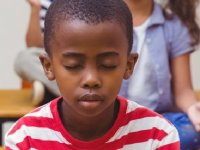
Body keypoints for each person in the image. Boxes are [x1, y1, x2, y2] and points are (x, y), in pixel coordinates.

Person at [5, 0, 180, 149]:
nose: (91, 80)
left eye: (107, 65)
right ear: (48, 67)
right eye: (73, 66)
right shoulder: (25, 138)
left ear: (128, 65)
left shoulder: (157, 136)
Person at [119, 0, 200, 149]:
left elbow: (183, 91)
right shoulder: (102, 20)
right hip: (112, 118)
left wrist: (193, 110)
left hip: (157, 117)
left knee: (190, 134)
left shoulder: (173, 26)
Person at [14, 0, 57, 105]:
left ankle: (50, 93)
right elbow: (34, 47)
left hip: (86, 54)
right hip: (57, 58)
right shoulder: (45, 3)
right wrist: (35, 8)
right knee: (24, 58)